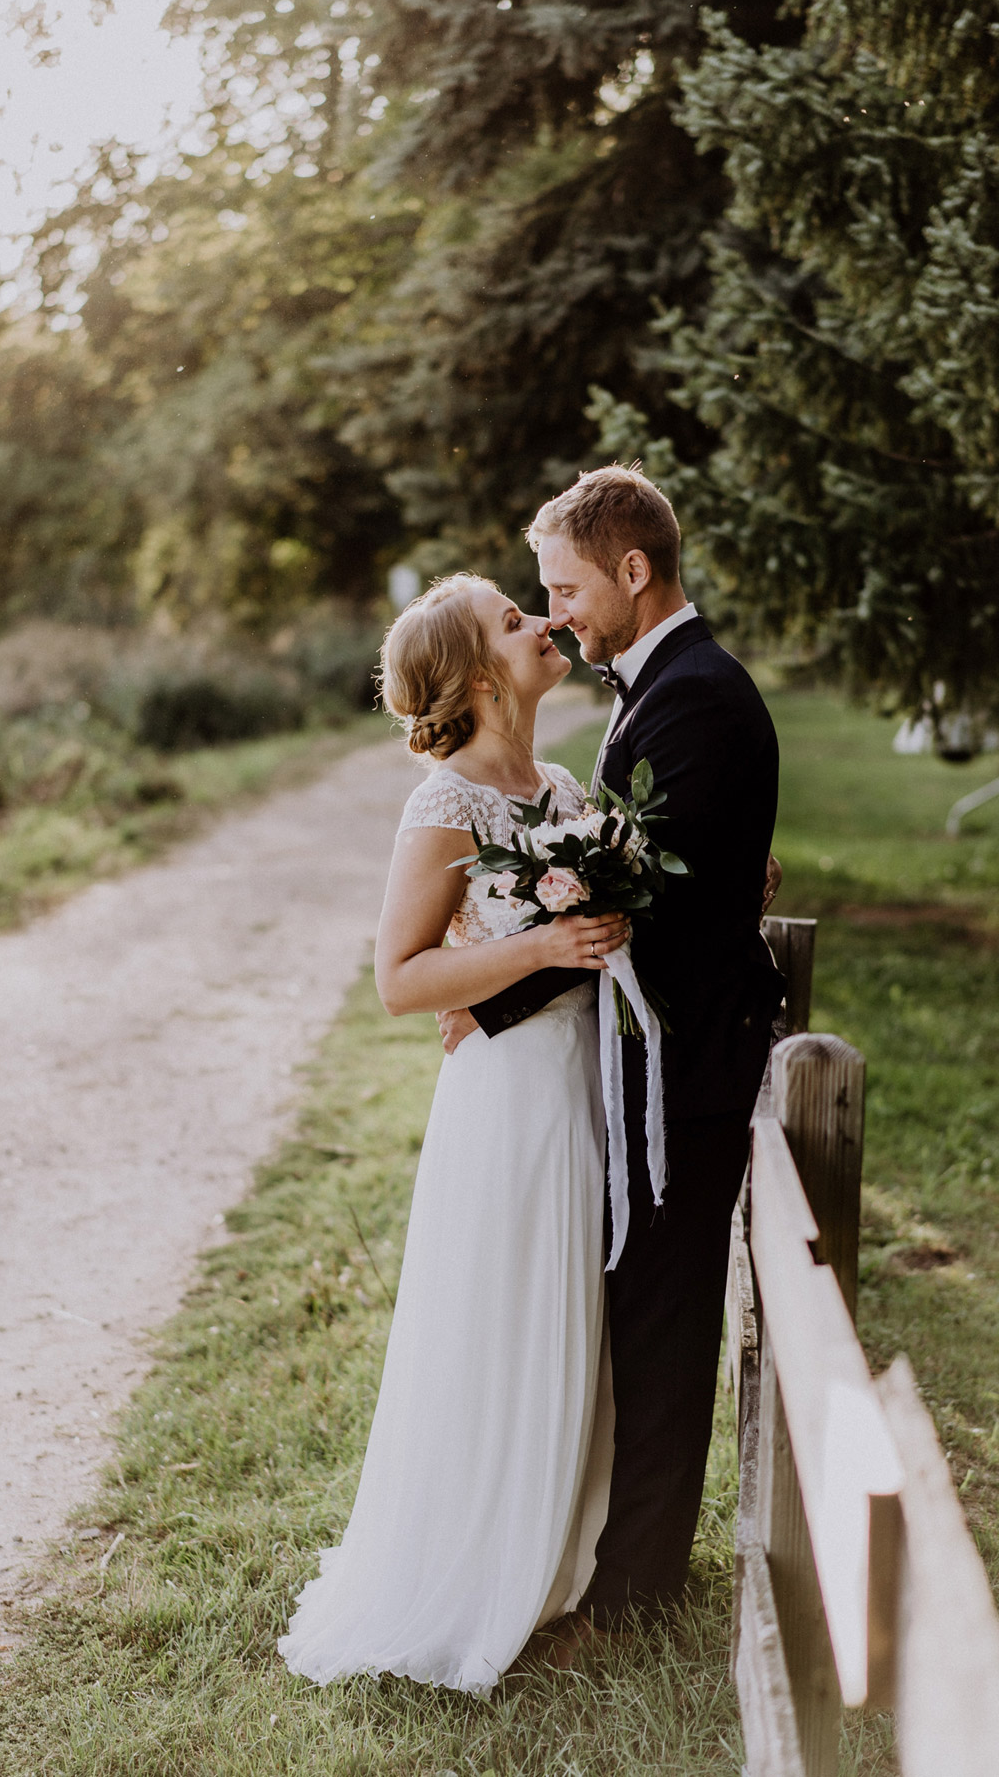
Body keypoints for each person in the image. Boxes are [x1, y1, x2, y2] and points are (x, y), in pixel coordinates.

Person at [439, 466, 784, 1650]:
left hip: (686, 1073)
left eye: (568, 587)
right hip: (658, 1059)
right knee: (645, 1313)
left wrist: (486, 1002)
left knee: (665, 1322)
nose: (560, 612)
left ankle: (633, 1596)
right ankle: (617, 1566)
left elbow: (630, 900)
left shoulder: (696, 696)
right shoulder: (669, 690)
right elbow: (652, 871)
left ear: (633, 572)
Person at [278, 573, 629, 1693]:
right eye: (515, 621)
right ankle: (483, 1572)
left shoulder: (562, 783)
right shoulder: (445, 804)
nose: (542, 623)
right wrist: (541, 949)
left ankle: (559, 1561)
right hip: (507, 1100)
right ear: (482, 676)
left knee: (573, 1314)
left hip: (582, 1084)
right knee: (507, 1315)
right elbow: (399, 979)